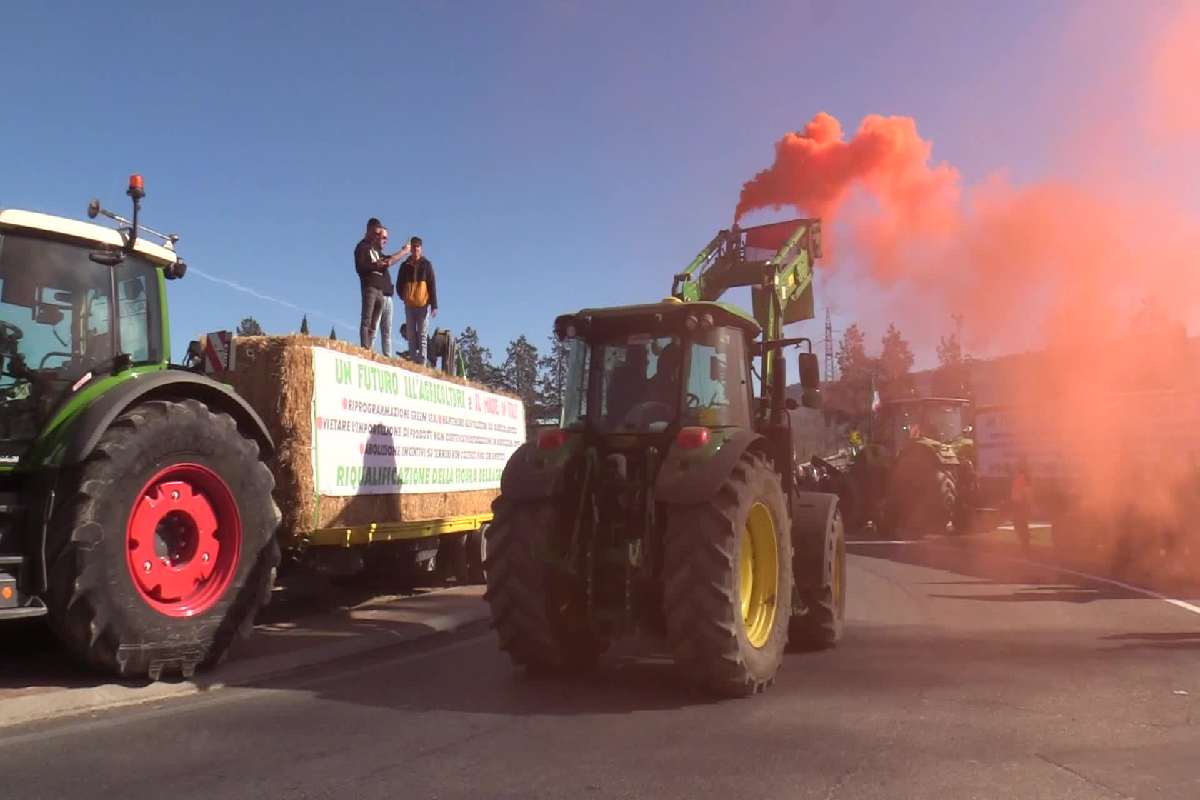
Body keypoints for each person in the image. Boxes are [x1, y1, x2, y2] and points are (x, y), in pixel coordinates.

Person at [355, 219, 408, 356]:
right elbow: (360, 268)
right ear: (370, 231)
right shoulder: (361, 247)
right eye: (377, 234)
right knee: (367, 320)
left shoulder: (376, 250)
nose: (378, 237)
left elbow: (389, 260)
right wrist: (375, 265)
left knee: (375, 325)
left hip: (381, 291)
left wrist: (403, 252)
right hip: (370, 288)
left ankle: (373, 351)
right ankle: (365, 349)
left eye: (380, 235)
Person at [396, 236, 438, 366]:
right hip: (409, 305)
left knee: (422, 334)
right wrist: (404, 296)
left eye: (417, 247)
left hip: (423, 304)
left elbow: (432, 285)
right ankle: (414, 362)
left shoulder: (427, 265)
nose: (415, 249)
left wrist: (434, 305)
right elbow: (399, 284)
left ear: (421, 249)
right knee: (411, 334)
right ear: (411, 249)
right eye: (413, 247)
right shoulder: (405, 266)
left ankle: (423, 361)